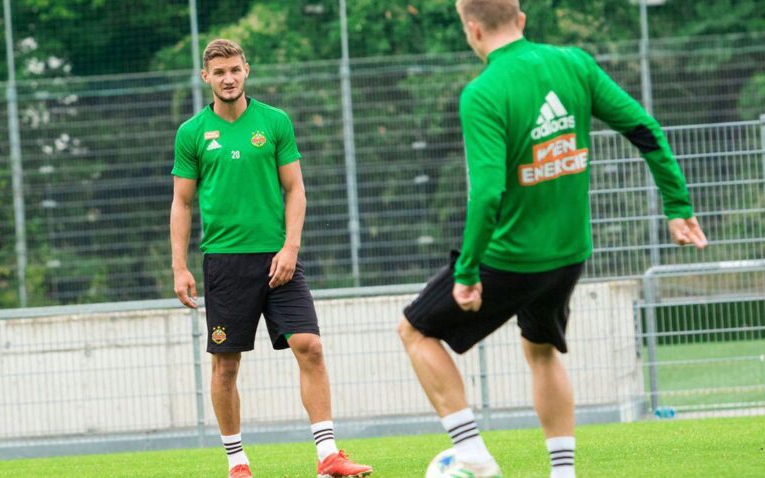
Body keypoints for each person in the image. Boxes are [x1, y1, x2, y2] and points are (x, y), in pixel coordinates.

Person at [398, 2, 708, 477]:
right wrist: (678, 205)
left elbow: (487, 194)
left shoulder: (483, 93)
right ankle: (563, 473)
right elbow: (644, 128)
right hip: (568, 255)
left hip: (513, 257)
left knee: (415, 331)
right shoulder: (575, 64)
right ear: (520, 19)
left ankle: (473, 455)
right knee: (540, 350)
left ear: (472, 30)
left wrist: (467, 272)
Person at [170, 39, 372, 478]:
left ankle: (328, 457)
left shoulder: (275, 122)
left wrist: (290, 248)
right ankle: (238, 464)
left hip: (280, 259)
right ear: (206, 77)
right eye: (219, 72)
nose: (228, 78)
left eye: (235, 70)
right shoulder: (191, 133)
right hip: (224, 263)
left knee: (310, 346)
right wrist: (179, 266)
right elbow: (182, 203)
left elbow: (295, 189)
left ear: (247, 71)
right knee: (226, 364)